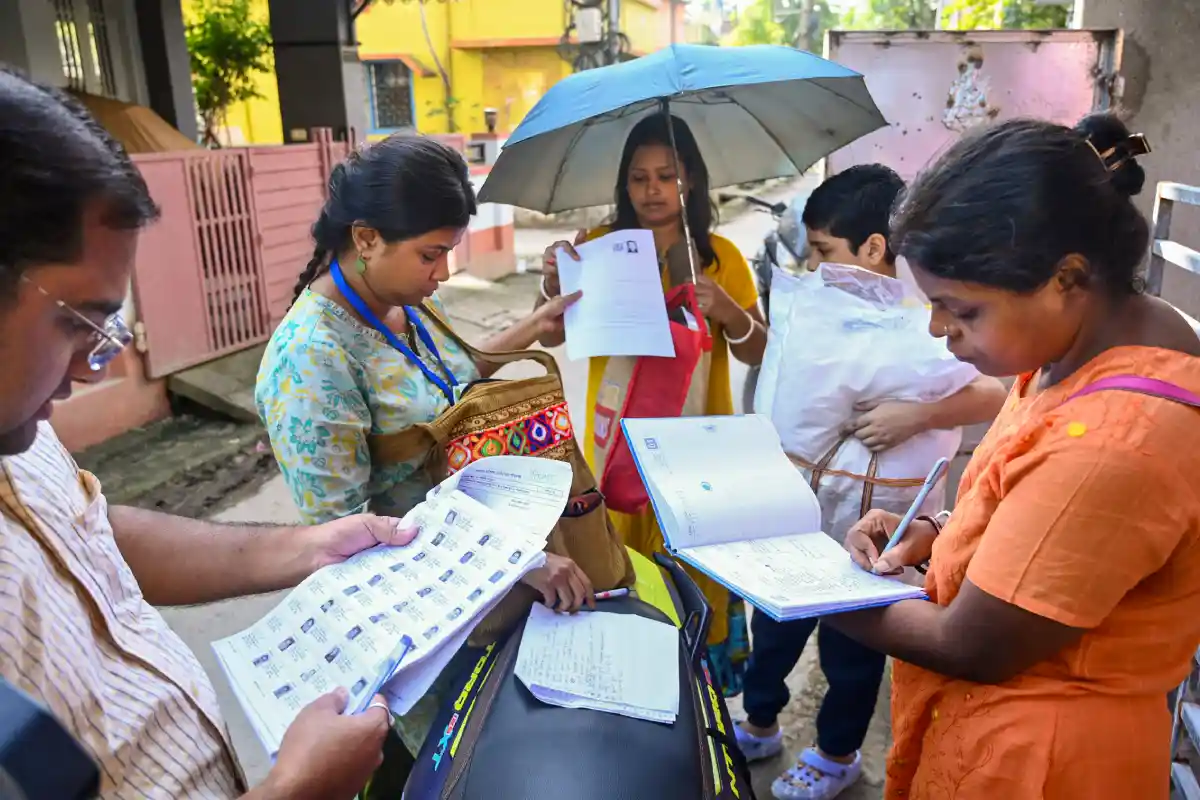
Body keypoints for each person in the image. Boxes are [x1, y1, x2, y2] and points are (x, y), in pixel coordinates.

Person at [0, 66, 408, 799]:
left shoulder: (17, 433)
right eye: (76, 323)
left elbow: (88, 533)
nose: (98, 367)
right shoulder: (313, 347)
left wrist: (307, 547)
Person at [828, 114, 1200, 799]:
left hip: (1044, 763)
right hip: (998, 737)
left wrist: (805, 593)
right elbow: (1037, 519)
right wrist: (936, 538)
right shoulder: (1071, 349)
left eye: (961, 311)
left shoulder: (1119, 440)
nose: (939, 331)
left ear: (1067, 278)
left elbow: (976, 644)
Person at [255, 133, 592, 754]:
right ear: (365, 238)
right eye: (431, 255)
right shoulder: (310, 361)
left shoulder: (397, 303)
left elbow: (442, 388)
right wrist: (515, 567)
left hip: (485, 582)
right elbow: (346, 541)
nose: (442, 274)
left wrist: (529, 328)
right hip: (424, 626)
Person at [735, 165, 1008, 800]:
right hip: (798, 508)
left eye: (827, 250)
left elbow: (997, 392)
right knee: (772, 628)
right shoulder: (809, 309)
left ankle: (837, 755)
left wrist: (919, 413)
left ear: (874, 248)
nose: (816, 265)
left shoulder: (928, 323)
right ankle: (759, 721)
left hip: (879, 518)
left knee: (853, 645)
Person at [535, 114, 767, 695]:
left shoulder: (721, 259)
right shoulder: (595, 249)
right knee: (616, 570)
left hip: (697, 457)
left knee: (690, 569)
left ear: (690, 179)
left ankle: (695, 701)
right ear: (624, 184)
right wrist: (550, 284)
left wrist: (727, 312)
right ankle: (626, 694)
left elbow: (759, 346)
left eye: (667, 175)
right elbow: (553, 337)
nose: (653, 190)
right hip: (613, 453)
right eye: (639, 178)